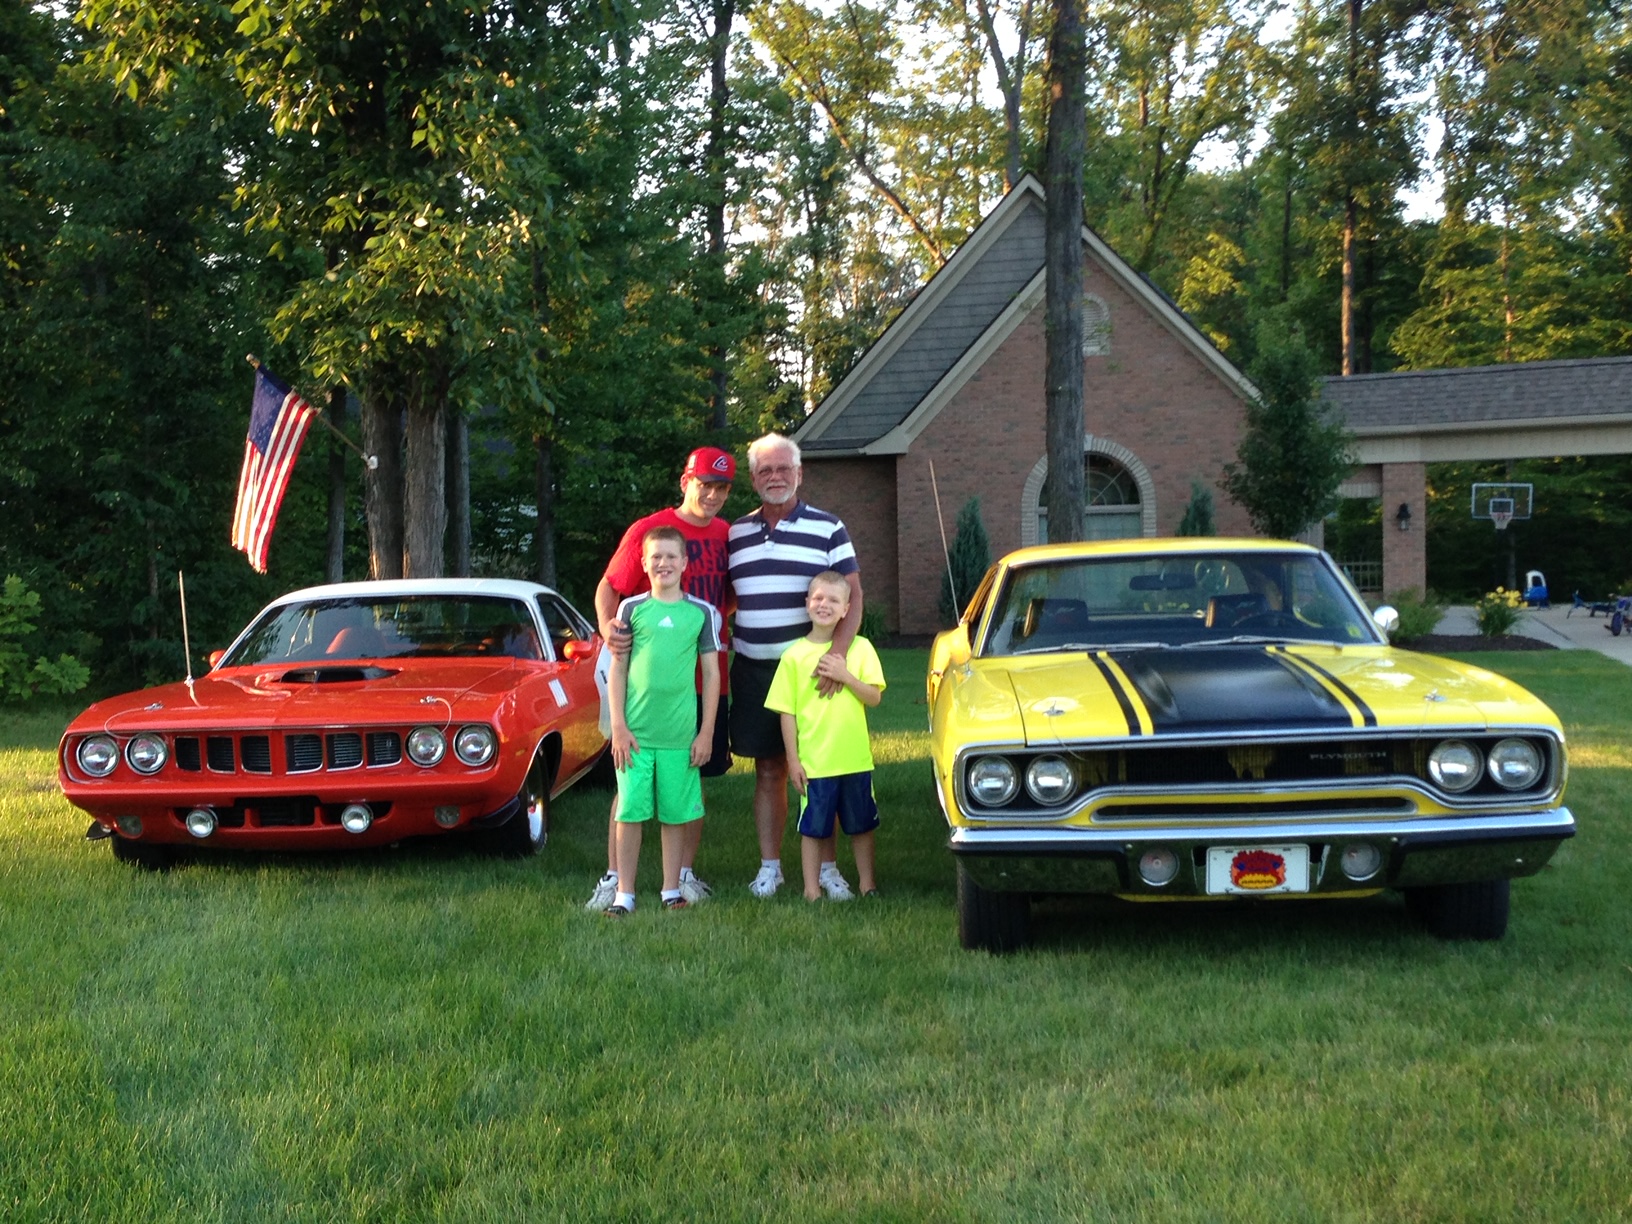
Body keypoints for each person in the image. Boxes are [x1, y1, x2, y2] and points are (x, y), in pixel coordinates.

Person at [585, 447, 735, 911]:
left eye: (721, 487)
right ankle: (616, 881)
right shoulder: (648, 532)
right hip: (634, 688)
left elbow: (728, 597)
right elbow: (609, 586)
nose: (711, 494)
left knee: (687, 787)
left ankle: (680, 879)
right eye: (703, 483)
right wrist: (610, 629)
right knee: (627, 784)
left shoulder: (728, 534)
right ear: (685, 480)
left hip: (696, 686)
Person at [727, 433, 864, 899]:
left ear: (799, 473)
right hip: (754, 670)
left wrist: (836, 658)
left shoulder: (829, 528)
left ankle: (827, 869)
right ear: (753, 479)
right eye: (765, 470)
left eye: (784, 468)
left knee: (819, 772)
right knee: (769, 770)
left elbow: (854, 595)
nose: (775, 477)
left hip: (812, 672)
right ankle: (771, 867)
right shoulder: (735, 533)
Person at [604, 526, 723, 916]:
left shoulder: (701, 614)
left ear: (685, 563)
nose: (664, 563)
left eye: (672, 556)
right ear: (643, 563)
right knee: (630, 812)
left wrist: (705, 733)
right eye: (656, 557)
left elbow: (712, 674)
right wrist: (618, 727)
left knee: (675, 814)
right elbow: (618, 671)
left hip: (679, 737)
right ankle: (625, 893)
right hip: (635, 736)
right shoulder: (631, 609)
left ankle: (671, 890)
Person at [765, 572, 885, 901]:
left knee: (861, 825)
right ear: (807, 604)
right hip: (815, 762)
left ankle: (867, 884)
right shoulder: (793, 656)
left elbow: (874, 697)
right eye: (818, 598)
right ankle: (811, 889)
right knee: (814, 827)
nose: (824, 605)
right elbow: (785, 711)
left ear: (847, 609)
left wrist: (845, 675)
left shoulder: (860, 649)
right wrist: (793, 760)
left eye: (833, 600)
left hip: (855, 758)